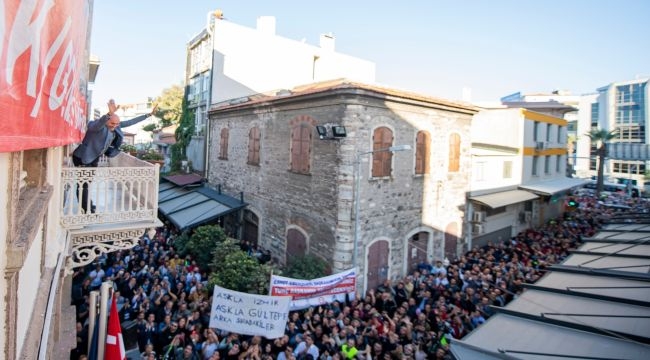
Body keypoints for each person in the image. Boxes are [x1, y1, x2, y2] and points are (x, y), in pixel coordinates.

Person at [71, 99, 156, 213]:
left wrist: (148, 115)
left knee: (88, 183)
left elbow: (131, 122)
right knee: (83, 184)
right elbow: (94, 126)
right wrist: (109, 114)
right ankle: (85, 209)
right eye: (112, 123)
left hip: (94, 157)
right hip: (82, 157)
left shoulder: (116, 126)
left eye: (116, 124)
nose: (114, 126)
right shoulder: (96, 125)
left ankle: (87, 204)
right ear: (107, 120)